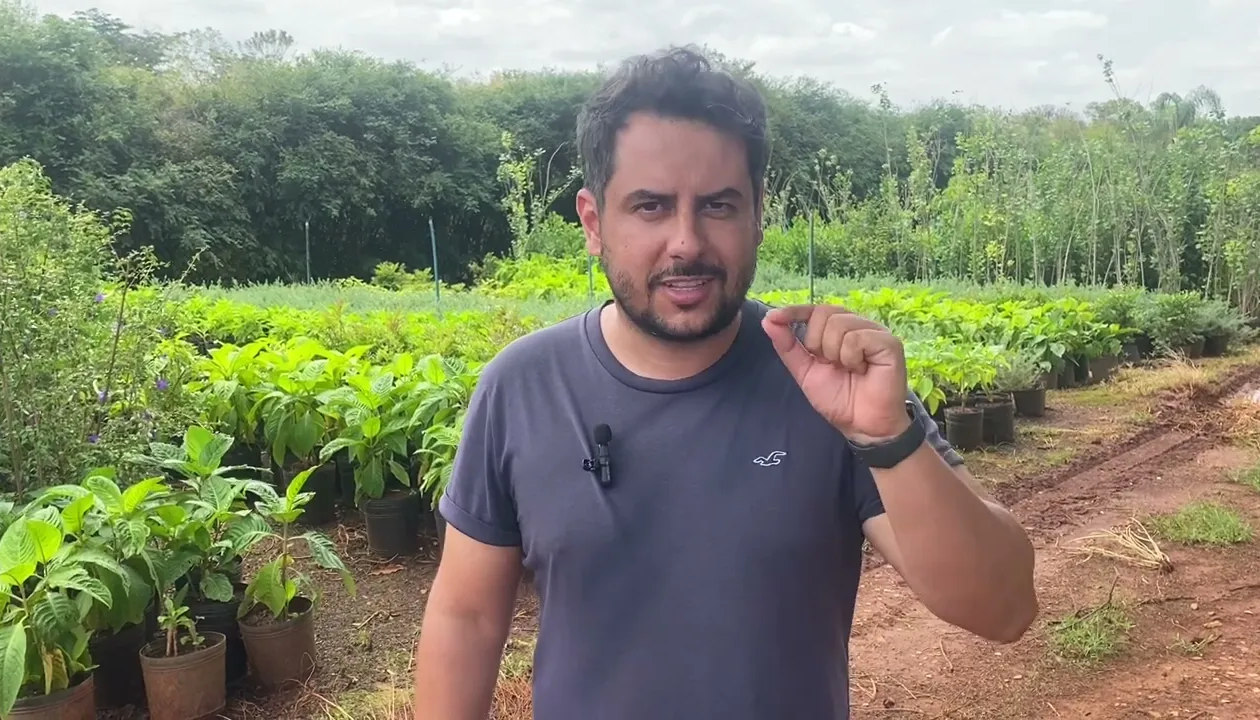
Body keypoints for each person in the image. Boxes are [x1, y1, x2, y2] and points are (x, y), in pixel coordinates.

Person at [414, 45, 1038, 720]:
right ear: (594, 223)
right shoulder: (523, 387)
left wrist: (887, 438)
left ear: (757, 213)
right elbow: (467, 618)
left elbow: (1002, 608)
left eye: (717, 205)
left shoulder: (831, 387)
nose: (686, 241)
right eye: (651, 207)